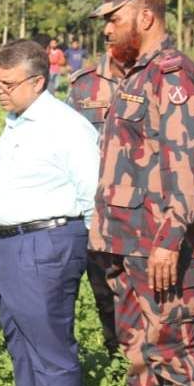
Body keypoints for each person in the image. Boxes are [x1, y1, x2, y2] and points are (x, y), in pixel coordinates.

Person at [88, 0, 194, 386]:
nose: (106, 28)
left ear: (145, 16)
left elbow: (185, 161)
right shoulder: (132, 75)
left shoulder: (172, 75)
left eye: (113, 18)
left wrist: (170, 240)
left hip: (157, 241)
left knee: (173, 340)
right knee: (135, 341)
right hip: (121, 238)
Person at [0, 40, 98, 386]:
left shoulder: (66, 127)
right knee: (19, 337)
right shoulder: (17, 123)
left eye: (8, 84)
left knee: (49, 344)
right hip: (12, 245)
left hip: (46, 244)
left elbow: (92, 194)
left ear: (37, 82)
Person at [66, 50, 128, 352]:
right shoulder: (84, 85)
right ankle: (117, 357)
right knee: (105, 294)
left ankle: (151, 369)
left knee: (151, 299)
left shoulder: (157, 79)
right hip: (98, 210)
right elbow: (64, 143)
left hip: (146, 210)